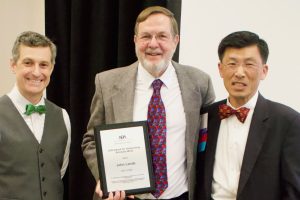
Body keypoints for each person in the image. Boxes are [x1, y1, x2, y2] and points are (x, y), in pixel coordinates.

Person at [82, 6, 215, 200]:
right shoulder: (107, 83)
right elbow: (91, 140)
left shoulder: (199, 83)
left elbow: (208, 143)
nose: (153, 44)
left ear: (175, 41)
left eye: (162, 36)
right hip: (126, 197)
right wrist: (106, 176)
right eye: (146, 36)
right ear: (135, 40)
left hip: (181, 195)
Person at [196, 31, 300, 200]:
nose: (239, 72)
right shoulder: (206, 116)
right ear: (220, 69)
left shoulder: (288, 122)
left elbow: (294, 190)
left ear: (264, 71)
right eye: (232, 63)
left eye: (249, 64)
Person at [0, 31, 71, 200]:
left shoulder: (62, 116)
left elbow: (59, 171)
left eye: (44, 64)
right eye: (28, 63)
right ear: (13, 65)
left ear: (52, 68)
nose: (36, 72)